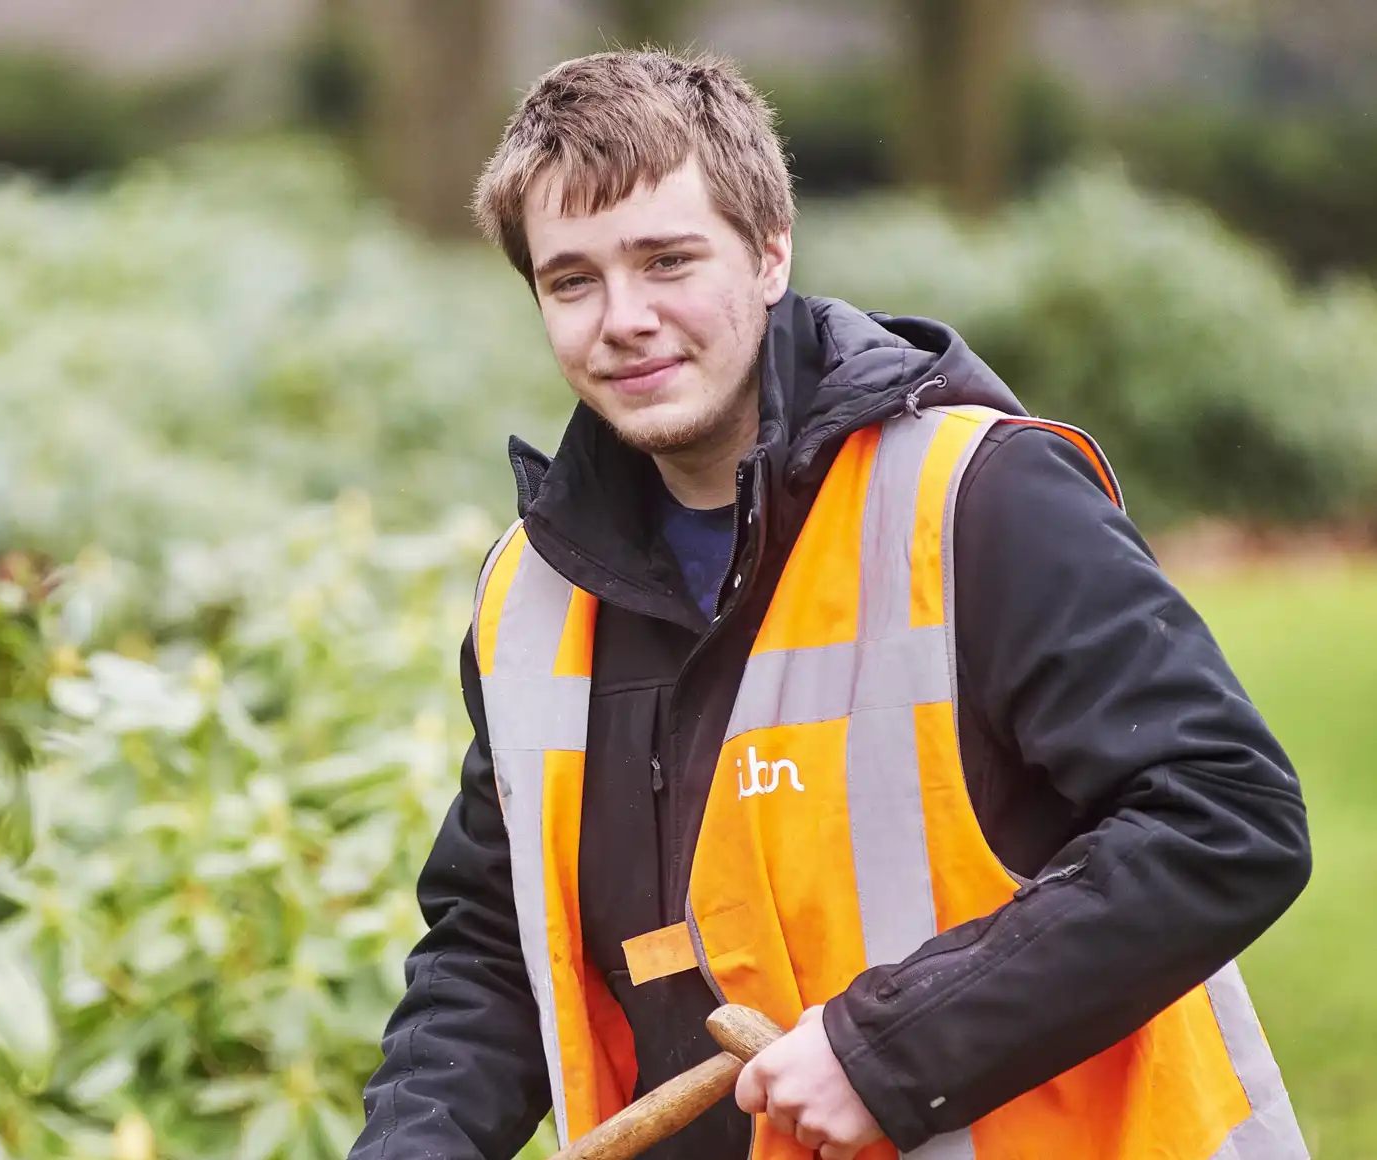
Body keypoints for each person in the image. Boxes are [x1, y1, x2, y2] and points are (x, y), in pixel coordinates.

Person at [349, 47, 1312, 1160]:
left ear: (770, 253)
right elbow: (492, 944)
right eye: (574, 281)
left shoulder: (977, 501)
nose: (624, 317)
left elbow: (1225, 816)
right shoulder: (531, 596)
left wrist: (893, 1048)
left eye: (668, 260)